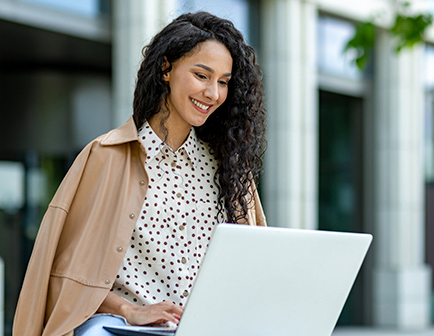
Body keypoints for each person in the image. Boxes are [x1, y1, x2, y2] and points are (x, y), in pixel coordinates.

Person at [13, 11, 267, 336]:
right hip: (121, 328)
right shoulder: (106, 156)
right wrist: (129, 311)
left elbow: (256, 271)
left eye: (223, 82)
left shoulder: (230, 170)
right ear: (166, 69)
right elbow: (68, 277)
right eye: (202, 76)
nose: (213, 93)